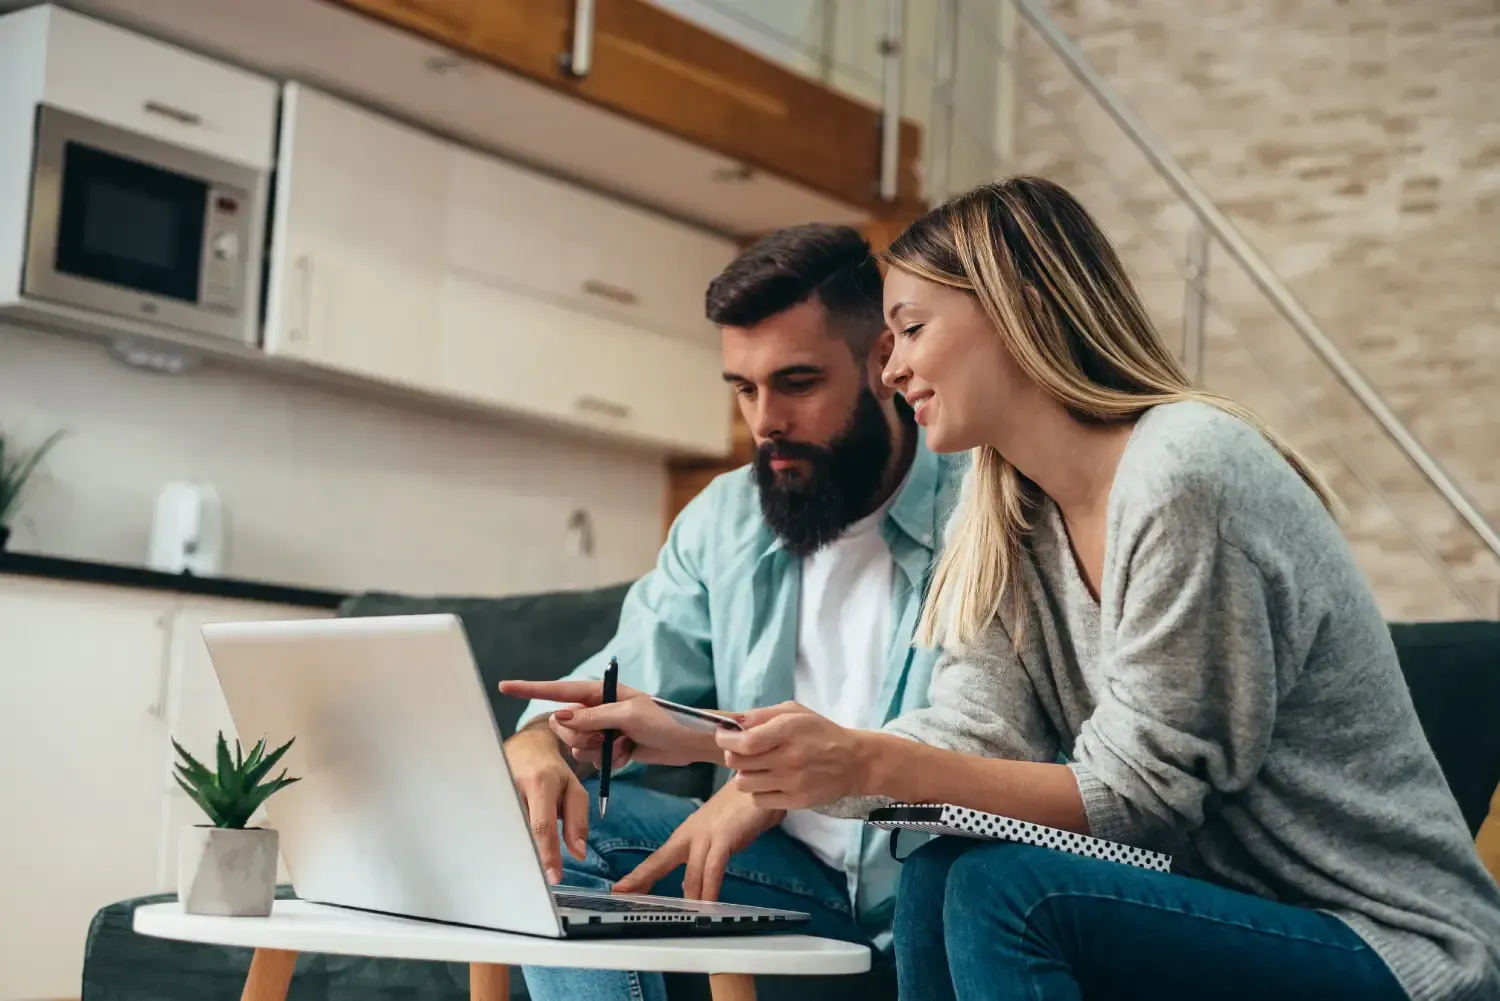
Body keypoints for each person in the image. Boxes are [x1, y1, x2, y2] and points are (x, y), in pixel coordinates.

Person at [536, 178, 1500, 1001]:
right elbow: (969, 736)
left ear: (1019, 310)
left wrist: (853, 763)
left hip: (1379, 936)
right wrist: (777, 753)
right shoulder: (1009, 511)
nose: (897, 364)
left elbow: (1139, 798)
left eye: (911, 328)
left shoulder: (1184, 469)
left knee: (1005, 886)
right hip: (1217, 905)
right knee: (941, 861)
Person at [498, 223, 965, 1001]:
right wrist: (542, 749)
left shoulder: (980, 509)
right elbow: (617, 690)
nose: (764, 421)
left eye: (799, 383)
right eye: (745, 389)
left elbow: (986, 738)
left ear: (884, 362)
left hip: (928, 889)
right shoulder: (729, 517)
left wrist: (768, 782)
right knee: (533, 830)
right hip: (795, 879)